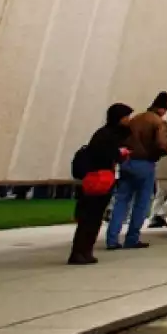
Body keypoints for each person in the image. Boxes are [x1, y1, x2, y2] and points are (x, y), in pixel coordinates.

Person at [108, 92, 167, 250]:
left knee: (121, 201)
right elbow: (161, 144)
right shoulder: (159, 122)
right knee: (141, 203)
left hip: (127, 161)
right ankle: (132, 238)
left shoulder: (135, 119)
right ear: (164, 109)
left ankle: (112, 239)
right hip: (145, 163)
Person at [70, 103, 132, 264]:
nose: (128, 120)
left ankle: (85, 250)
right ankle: (79, 251)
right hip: (98, 177)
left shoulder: (109, 133)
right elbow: (105, 154)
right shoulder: (106, 135)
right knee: (90, 216)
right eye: (126, 117)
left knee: (95, 216)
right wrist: (120, 153)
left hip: (102, 177)